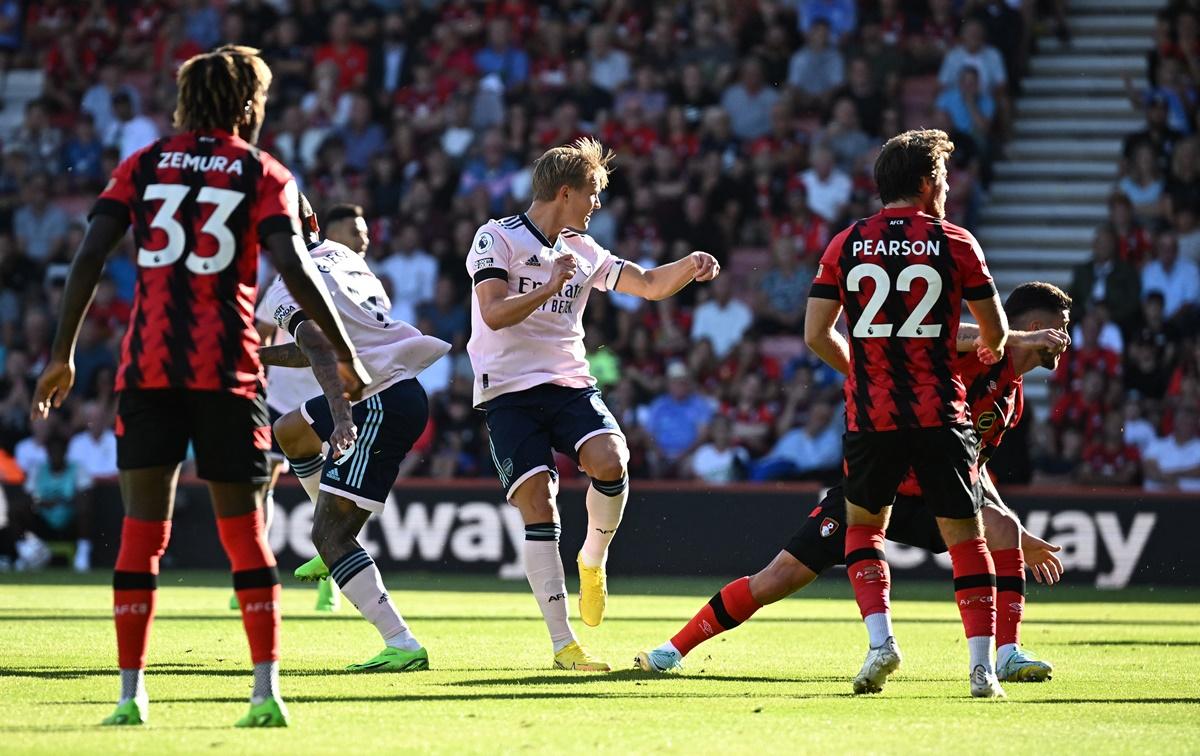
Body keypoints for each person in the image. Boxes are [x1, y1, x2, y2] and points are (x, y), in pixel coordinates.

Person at [30, 45, 368, 729]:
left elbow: (90, 253)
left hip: (149, 370)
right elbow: (297, 272)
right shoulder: (261, 172)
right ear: (250, 104)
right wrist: (345, 353)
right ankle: (265, 692)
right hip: (225, 372)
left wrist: (62, 353)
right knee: (245, 534)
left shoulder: (145, 164)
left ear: (189, 99)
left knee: (140, 532)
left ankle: (130, 696)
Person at [639, 283, 1072, 685]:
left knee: (1003, 529)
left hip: (931, 499)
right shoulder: (982, 355)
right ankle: (672, 650)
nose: (1067, 339)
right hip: (878, 480)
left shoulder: (1011, 399)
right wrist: (1012, 338)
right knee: (775, 579)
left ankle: (1007, 653)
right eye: (1062, 327)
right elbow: (942, 336)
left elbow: (972, 465)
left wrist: (1012, 526)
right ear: (1038, 328)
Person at [466, 137, 719, 671]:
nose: (597, 205)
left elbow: (648, 285)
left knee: (612, 460)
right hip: (507, 389)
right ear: (565, 192)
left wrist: (690, 265)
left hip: (566, 382)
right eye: (592, 194)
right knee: (538, 502)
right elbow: (492, 313)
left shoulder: (583, 249)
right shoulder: (496, 239)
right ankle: (564, 645)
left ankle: (593, 558)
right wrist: (549, 285)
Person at [801, 129, 1011, 698]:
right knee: (967, 538)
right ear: (925, 183)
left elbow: (816, 335)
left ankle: (880, 643)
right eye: (941, 178)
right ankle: (981, 669)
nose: (945, 188)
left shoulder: (844, 243)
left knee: (865, 529)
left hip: (872, 416)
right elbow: (995, 331)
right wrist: (988, 345)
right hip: (941, 411)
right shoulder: (956, 241)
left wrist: (863, 373)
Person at [258, 196, 450, 672]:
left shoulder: (288, 287)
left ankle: (401, 642)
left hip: (376, 400)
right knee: (290, 431)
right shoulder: (347, 259)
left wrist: (342, 413)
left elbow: (318, 346)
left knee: (329, 535)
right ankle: (330, 540)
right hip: (393, 387)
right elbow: (324, 348)